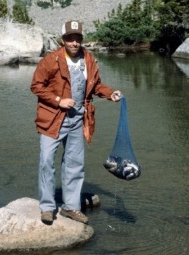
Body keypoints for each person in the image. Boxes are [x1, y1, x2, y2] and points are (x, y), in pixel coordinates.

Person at [30, 20, 121, 225]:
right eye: (70, 39)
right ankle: (47, 207)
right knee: (46, 161)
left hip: (78, 119)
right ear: (63, 40)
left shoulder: (88, 59)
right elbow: (36, 86)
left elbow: (96, 85)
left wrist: (109, 94)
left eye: (77, 38)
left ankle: (71, 207)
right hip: (52, 119)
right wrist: (58, 100)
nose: (74, 43)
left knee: (75, 164)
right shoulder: (50, 60)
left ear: (81, 39)